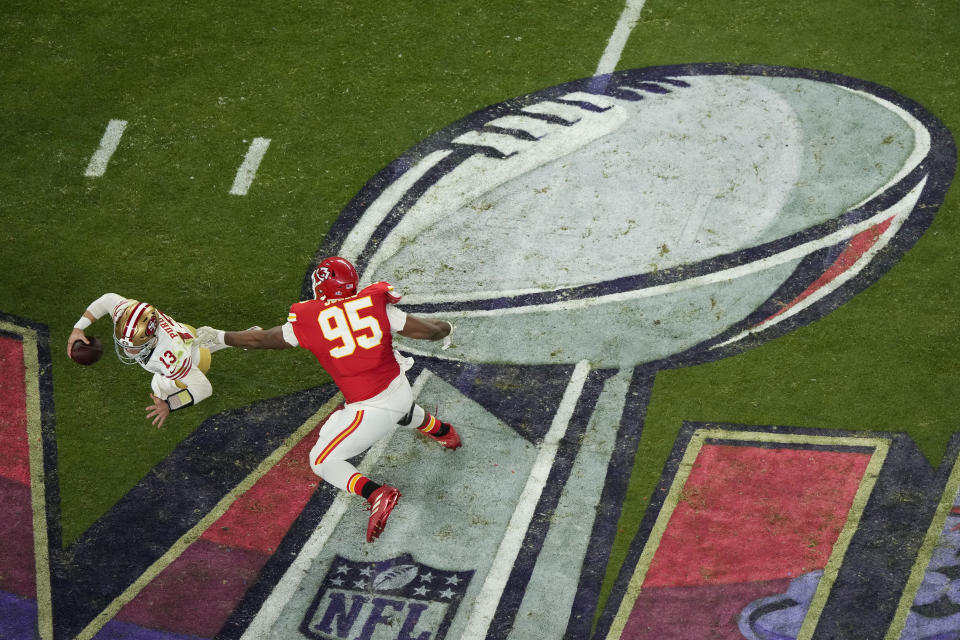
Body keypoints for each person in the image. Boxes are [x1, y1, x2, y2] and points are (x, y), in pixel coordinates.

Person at [197, 256, 461, 543]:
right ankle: (443, 431)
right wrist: (446, 328)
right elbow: (430, 330)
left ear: (322, 285)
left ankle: (377, 493)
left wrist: (221, 337)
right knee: (400, 409)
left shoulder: (310, 318)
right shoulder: (373, 302)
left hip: (371, 407)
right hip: (398, 386)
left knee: (321, 459)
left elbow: (260, 339)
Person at [68, 294, 234, 428]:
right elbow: (107, 300)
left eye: (135, 346)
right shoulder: (128, 315)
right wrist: (78, 328)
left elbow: (204, 388)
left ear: (152, 339)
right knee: (193, 341)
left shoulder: (169, 359)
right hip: (185, 333)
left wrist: (169, 405)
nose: (128, 351)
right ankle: (220, 338)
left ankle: (213, 342)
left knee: (159, 387)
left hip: (193, 361)